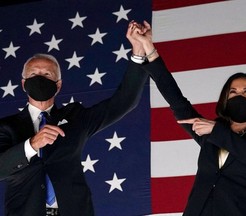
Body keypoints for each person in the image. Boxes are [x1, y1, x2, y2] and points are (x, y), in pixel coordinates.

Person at [130, 21, 246, 216]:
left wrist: (216, 131)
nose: (239, 95)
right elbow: (178, 103)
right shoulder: (212, 131)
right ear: (225, 99)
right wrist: (150, 50)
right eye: (233, 92)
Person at [0, 22, 148, 216]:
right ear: (23, 83)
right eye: (34, 74)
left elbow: (125, 102)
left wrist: (138, 53)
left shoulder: (75, 118)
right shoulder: (6, 127)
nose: (40, 78)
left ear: (58, 85)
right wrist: (32, 144)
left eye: (46, 74)